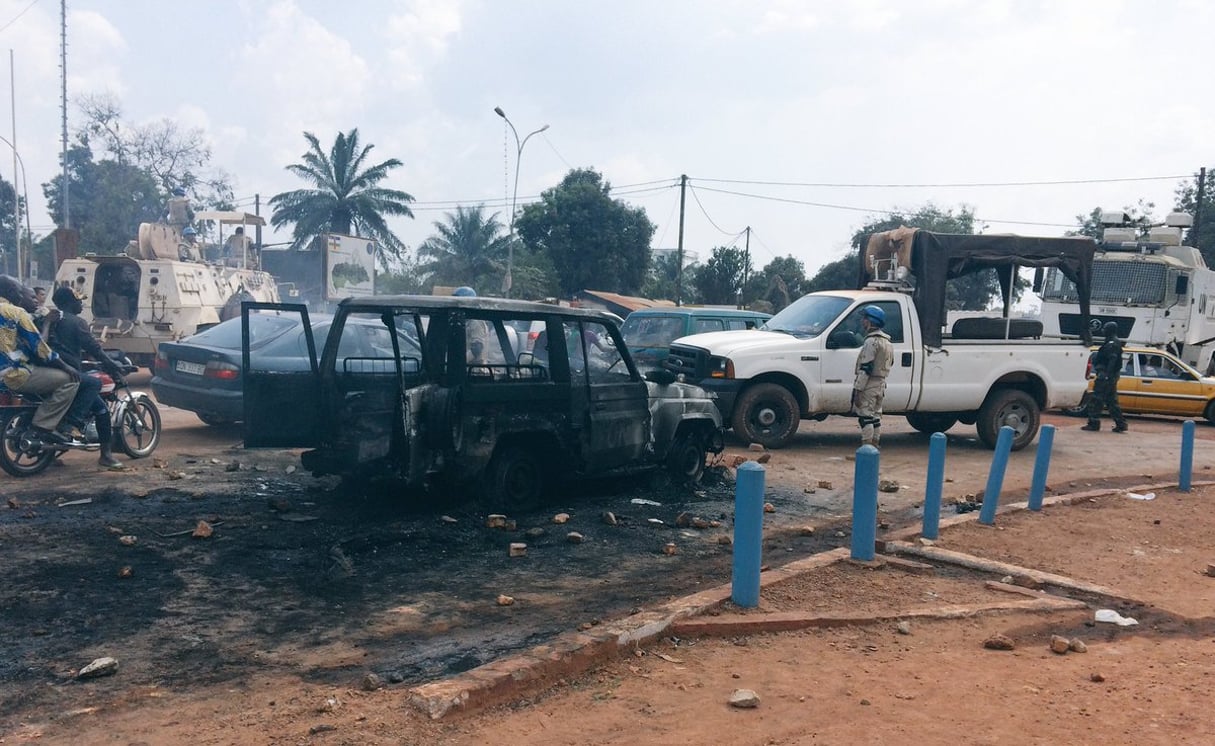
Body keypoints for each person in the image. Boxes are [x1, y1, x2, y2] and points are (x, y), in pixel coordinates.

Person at [48, 286, 127, 469]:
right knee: (101, 408)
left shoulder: (49, 319)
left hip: (48, 372)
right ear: (69, 303)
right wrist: (113, 366)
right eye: (78, 301)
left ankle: (49, 455)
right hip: (68, 374)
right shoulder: (77, 322)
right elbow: (95, 349)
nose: (81, 304)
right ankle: (105, 454)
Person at [0, 276, 83, 445]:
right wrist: (66, 367)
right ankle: (43, 426)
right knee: (70, 380)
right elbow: (39, 347)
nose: (21, 295)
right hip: (14, 374)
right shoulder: (14, 312)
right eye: (18, 291)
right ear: (9, 292)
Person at [852, 305, 893, 449]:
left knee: (865, 417)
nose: (863, 321)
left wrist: (858, 389)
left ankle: (866, 447)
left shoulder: (871, 342)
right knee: (875, 417)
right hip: (881, 384)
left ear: (870, 321)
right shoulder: (887, 342)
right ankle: (875, 446)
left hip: (869, 384)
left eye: (865, 319)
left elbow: (866, 368)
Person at [1083, 321, 1128, 433]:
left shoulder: (1112, 343)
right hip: (1109, 375)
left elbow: (1112, 360)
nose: (1103, 330)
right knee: (1111, 401)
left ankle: (1093, 423)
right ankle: (1121, 424)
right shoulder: (1111, 342)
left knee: (1097, 399)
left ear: (1110, 330)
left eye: (1105, 328)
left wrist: (1107, 375)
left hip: (1106, 375)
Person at [453, 286, 491, 364]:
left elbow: (477, 348)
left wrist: (459, 362)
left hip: (474, 370)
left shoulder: (476, 322)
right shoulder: (466, 321)